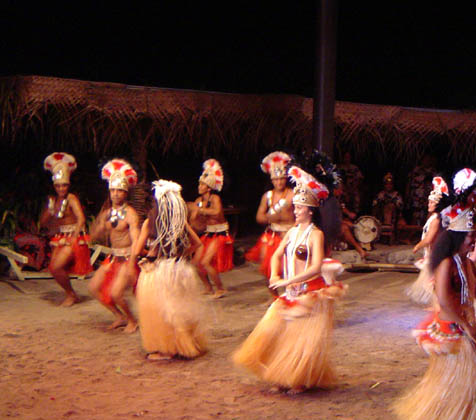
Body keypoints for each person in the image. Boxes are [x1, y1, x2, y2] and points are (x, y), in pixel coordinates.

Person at [394, 171, 476, 420]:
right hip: (452, 329)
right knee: (454, 382)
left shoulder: (469, 265)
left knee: (470, 384)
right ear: (456, 237)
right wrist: (467, 327)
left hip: (467, 328)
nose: (474, 241)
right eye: (469, 237)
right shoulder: (447, 265)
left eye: (474, 236)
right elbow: (443, 298)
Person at [232, 165, 346, 394]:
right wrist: (275, 274)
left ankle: (298, 378)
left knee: (299, 338)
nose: (295, 211)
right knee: (282, 333)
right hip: (291, 290)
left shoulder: (316, 234)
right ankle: (283, 374)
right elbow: (276, 255)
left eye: (299, 207)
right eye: (295, 207)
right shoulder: (292, 232)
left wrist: (287, 281)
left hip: (309, 292)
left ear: (310, 210)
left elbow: (315, 267)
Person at [130, 180, 206, 361]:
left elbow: (136, 251)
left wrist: (151, 253)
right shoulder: (179, 222)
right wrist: (180, 254)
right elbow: (197, 243)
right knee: (178, 311)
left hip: (159, 272)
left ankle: (167, 349)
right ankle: (184, 345)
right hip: (179, 269)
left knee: (161, 313)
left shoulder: (150, 222)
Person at [88, 159, 141, 333]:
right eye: (113, 190)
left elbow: (136, 241)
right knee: (93, 288)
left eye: (119, 190)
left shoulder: (131, 214)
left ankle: (133, 320)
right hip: (113, 258)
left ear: (125, 193)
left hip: (127, 258)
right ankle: (119, 316)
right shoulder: (107, 213)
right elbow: (95, 237)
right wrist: (99, 227)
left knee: (116, 293)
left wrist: (133, 264)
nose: (116, 194)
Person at [40, 152, 92, 306]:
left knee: (56, 267)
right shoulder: (54, 201)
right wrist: (49, 210)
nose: (61, 188)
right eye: (58, 185)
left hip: (73, 238)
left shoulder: (71, 198)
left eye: (64, 185)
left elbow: (81, 219)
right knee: (54, 269)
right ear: (54, 186)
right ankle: (71, 294)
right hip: (61, 237)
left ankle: (71, 295)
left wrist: (73, 239)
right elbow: (43, 223)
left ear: (68, 185)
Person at [245, 151, 295, 278]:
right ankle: (275, 296)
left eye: (282, 179)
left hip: (290, 234)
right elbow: (259, 217)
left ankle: (290, 295)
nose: (279, 182)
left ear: (286, 179)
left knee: (290, 269)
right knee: (267, 268)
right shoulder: (267, 196)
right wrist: (269, 218)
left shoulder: (293, 194)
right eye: (276, 179)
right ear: (272, 180)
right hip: (272, 235)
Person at [190, 159, 232, 298]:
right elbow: (195, 220)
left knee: (206, 262)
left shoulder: (215, 199)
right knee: (196, 263)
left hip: (220, 234)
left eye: (202, 184)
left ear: (208, 187)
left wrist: (201, 211)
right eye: (199, 183)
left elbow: (216, 212)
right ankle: (208, 287)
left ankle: (220, 289)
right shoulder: (198, 201)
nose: (199, 186)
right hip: (208, 233)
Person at [406, 175, 449, 305]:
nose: (428, 204)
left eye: (431, 202)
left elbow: (429, 238)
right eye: (429, 201)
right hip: (431, 254)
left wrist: (417, 246)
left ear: (437, 204)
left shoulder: (436, 219)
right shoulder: (433, 217)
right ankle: (437, 307)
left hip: (436, 255)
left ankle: (439, 309)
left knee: (435, 284)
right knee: (432, 285)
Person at [405, 153, 437, 226]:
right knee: (415, 215)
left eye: (428, 160)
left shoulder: (433, 172)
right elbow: (409, 183)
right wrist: (408, 195)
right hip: (416, 197)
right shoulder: (416, 171)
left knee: (427, 215)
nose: (427, 161)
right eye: (425, 159)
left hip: (428, 197)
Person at [338, 150, 364, 215]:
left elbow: (360, 178)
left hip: (353, 189)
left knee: (356, 200)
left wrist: (354, 184)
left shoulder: (354, 168)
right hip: (343, 189)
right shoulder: (340, 168)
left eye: (348, 157)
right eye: (345, 157)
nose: (347, 159)